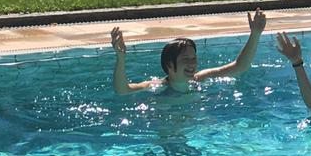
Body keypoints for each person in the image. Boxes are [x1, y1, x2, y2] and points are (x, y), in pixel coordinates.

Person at [111, 12, 267, 95]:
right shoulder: (158, 87)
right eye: (186, 59)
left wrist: (255, 34)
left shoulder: (200, 79)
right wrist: (121, 58)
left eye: (194, 58)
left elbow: (241, 66)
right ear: (169, 65)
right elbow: (123, 90)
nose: (192, 64)